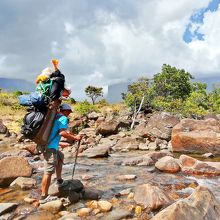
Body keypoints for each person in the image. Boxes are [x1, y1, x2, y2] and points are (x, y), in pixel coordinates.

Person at [39, 103, 82, 204]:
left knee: (60, 156)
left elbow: (56, 132)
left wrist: (63, 142)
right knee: (48, 171)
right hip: (49, 147)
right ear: (65, 111)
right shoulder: (63, 118)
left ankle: (59, 181)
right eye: (69, 112)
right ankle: (43, 197)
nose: (69, 114)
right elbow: (62, 133)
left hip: (46, 144)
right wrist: (75, 138)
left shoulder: (54, 117)